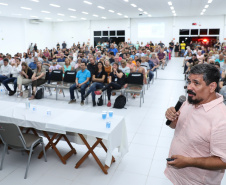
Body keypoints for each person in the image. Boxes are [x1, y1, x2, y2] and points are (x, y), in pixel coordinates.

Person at [165, 64, 226, 185]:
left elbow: (223, 161)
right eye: (189, 81)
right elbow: (176, 126)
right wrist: (171, 118)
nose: (189, 87)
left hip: (197, 181)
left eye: (196, 83)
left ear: (212, 86)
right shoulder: (190, 101)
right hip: (176, 176)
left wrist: (188, 161)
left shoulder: (221, 120)